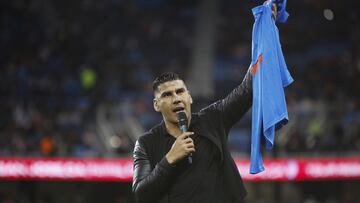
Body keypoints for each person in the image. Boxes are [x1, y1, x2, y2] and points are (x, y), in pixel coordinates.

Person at [132, 5, 277, 203]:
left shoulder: (212, 119)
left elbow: (246, 91)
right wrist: (170, 159)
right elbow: (142, 194)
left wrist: (266, 30)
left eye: (180, 91)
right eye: (167, 95)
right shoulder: (146, 143)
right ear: (156, 105)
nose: (176, 98)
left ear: (189, 97)